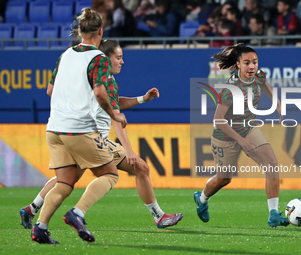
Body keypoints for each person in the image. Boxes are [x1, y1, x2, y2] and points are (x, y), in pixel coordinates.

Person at [20, 40, 183, 232]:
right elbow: (115, 118)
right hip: (93, 138)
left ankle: (32, 209)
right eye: (119, 58)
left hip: (71, 133)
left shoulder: (91, 77)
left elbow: (113, 102)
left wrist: (141, 99)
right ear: (106, 59)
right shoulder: (105, 80)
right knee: (138, 168)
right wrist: (129, 151)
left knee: (66, 179)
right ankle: (157, 216)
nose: (122, 62)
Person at [30, 8, 127, 244]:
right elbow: (100, 92)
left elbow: (50, 90)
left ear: (80, 31)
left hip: (54, 128)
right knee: (109, 174)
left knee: (64, 182)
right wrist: (114, 111)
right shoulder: (99, 58)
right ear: (100, 31)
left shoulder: (65, 55)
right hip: (78, 129)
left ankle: (40, 228)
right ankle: (77, 213)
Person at [193, 43, 289, 228]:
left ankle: (273, 214)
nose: (252, 66)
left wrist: (276, 102)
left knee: (272, 164)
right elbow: (218, 119)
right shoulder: (230, 89)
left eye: (254, 62)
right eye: (247, 63)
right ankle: (202, 199)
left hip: (248, 128)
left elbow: (265, 85)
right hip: (225, 136)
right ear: (237, 64)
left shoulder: (258, 75)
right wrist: (241, 140)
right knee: (224, 179)